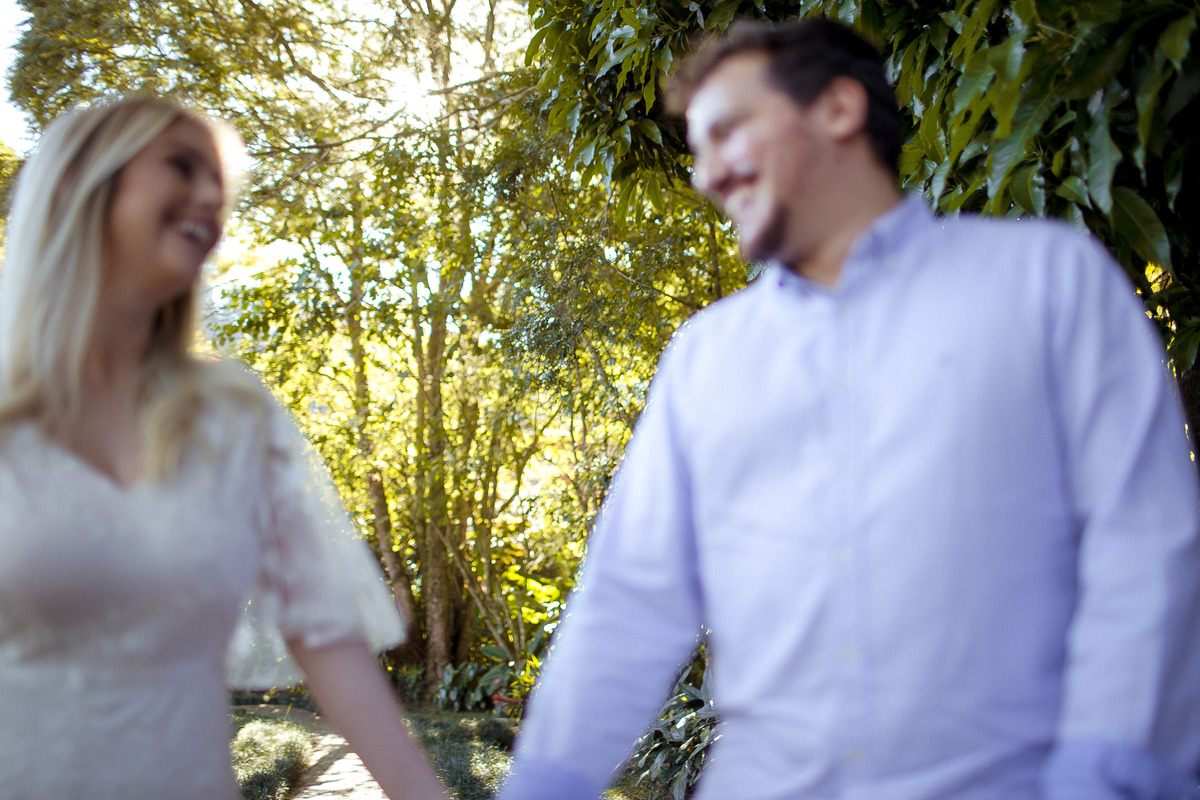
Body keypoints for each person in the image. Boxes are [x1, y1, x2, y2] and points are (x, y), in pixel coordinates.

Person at [498, 18, 1200, 800]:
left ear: (837, 109)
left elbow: (1144, 553)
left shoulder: (1050, 283)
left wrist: (1101, 781)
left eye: (727, 131)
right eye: (697, 151)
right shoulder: (702, 359)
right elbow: (625, 611)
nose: (706, 176)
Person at [0, 96, 450, 800]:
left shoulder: (237, 416)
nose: (211, 197)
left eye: (220, 183)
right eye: (182, 167)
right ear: (79, 186)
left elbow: (325, 635)